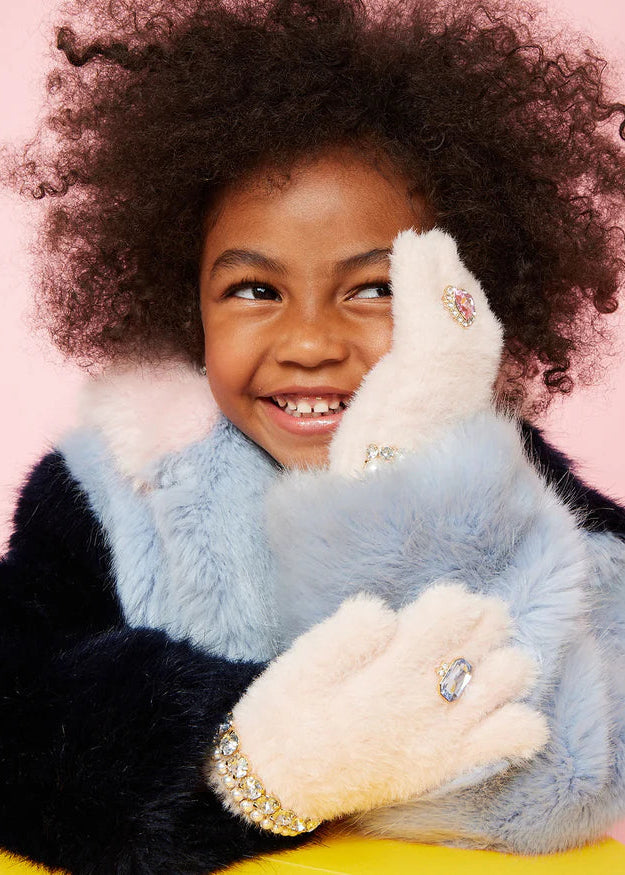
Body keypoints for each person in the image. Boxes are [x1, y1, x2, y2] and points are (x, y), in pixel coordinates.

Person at [1, 0, 625, 872]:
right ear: (188, 303)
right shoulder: (117, 489)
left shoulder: (522, 494)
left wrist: (400, 481)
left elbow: (583, 758)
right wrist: (257, 762)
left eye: (373, 288)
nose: (308, 343)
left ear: (465, 295)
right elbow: (19, 715)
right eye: (255, 291)